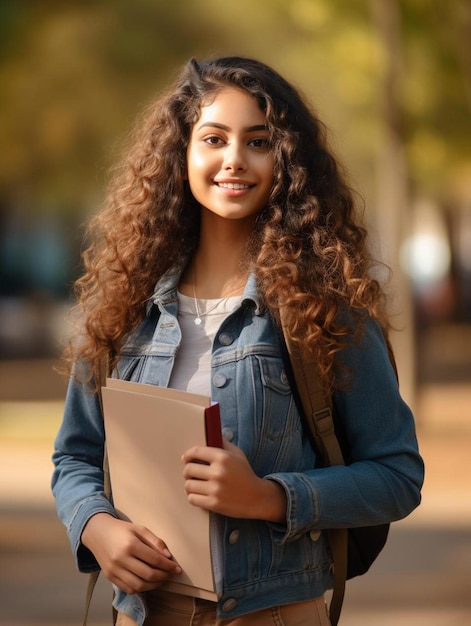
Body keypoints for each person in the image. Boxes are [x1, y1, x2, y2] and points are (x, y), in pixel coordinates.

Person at [51, 56, 424, 626]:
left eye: (258, 141)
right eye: (214, 138)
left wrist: (271, 497)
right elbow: (74, 457)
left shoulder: (326, 308)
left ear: (287, 160)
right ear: (182, 156)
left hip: (275, 613)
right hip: (145, 614)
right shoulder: (124, 306)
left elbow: (397, 477)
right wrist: (97, 528)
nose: (234, 160)